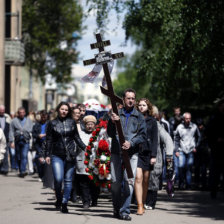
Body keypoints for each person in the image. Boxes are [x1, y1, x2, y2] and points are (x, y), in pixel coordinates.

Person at [107, 88, 146, 221]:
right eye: (128, 98)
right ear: (123, 99)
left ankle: (125, 211)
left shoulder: (139, 116)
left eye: (133, 98)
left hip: (132, 154)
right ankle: (116, 208)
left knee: (129, 182)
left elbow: (143, 135)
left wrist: (132, 142)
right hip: (116, 152)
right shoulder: (116, 113)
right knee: (115, 182)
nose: (130, 100)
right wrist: (112, 122)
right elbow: (110, 133)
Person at [45, 102, 86, 213]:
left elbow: (76, 137)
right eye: (62, 109)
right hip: (56, 154)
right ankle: (59, 198)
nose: (64, 111)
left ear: (68, 112)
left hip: (70, 155)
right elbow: (48, 140)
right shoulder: (52, 123)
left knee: (68, 181)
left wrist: (86, 147)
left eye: (66, 110)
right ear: (58, 110)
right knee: (58, 179)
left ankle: (64, 202)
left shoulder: (72, 122)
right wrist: (47, 154)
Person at [145, 105, 174, 210]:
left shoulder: (158, 125)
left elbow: (167, 139)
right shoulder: (139, 123)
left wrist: (169, 155)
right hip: (142, 156)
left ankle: (151, 202)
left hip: (155, 156)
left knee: (153, 179)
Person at [134, 98, 158, 215]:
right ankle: (139, 205)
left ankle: (143, 202)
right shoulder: (135, 119)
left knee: (145, 180)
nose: (141, 107)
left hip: (148, 153)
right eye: (140, 105)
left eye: (144, 105)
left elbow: (155, 139)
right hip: (136, 152)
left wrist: (153, 155)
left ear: (148, 107)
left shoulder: (152, 121)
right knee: (138, 178)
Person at [76, 115, 100, 208]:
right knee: (83, 183)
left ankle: (94, 199)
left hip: (95, 163)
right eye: (88, 124)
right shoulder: (80, 134)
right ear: (84, 125)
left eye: (92, 124)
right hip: (82, 162)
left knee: (94, 183)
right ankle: (86, 201)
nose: (90, 126)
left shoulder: (99, 134)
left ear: (95, 125)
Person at [174, 112, 201, 190]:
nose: (188, 120)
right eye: (186, 118)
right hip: (181, 150)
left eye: (189, 118)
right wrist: (176, 150)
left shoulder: (194, 126)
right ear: (183, 119)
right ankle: (181, 183)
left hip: (191, 150)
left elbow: (199, 137)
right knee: (181, 166)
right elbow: (176, 139)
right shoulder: (179, 127)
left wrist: (196, 146)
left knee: (189, 167)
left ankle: (188, 185)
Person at [205, 98, 224, 198]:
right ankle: (213, 191)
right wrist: (216, 139)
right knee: (215, 171)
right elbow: (208, 132)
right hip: (216, 149)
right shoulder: (214, 118)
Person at [9, 107, 33, 177]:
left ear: (25, 113)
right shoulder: (14, 121)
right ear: (18, 113)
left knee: (24, 156)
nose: (22, 114)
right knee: (18, 157)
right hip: (17, 140)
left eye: (23, 112)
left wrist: (25, 131)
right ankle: (20, 169)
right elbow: (11, 131)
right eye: (20, 113)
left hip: (26, 141)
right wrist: (11, 141)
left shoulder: (29, 120)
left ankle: (23, 171)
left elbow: (31, 128)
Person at [32, 110, 49, 180]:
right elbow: (33, 134)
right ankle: (40, 175)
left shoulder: (49, 124)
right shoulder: (36, 125)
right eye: (42, 117)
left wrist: (46, 135)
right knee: (39, 160)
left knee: (46, 160)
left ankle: (45, 175)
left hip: (47, 144)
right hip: (39, 144)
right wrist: (38, 135)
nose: (43, 118)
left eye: (45, 117)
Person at [0, 105, 11, 175]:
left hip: (5, 139)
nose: (2, 111)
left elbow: (10, 129)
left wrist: (10, 138)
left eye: (3, 110)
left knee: (5, 154)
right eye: (1, 110)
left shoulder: (7, 118)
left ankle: (5, 169)